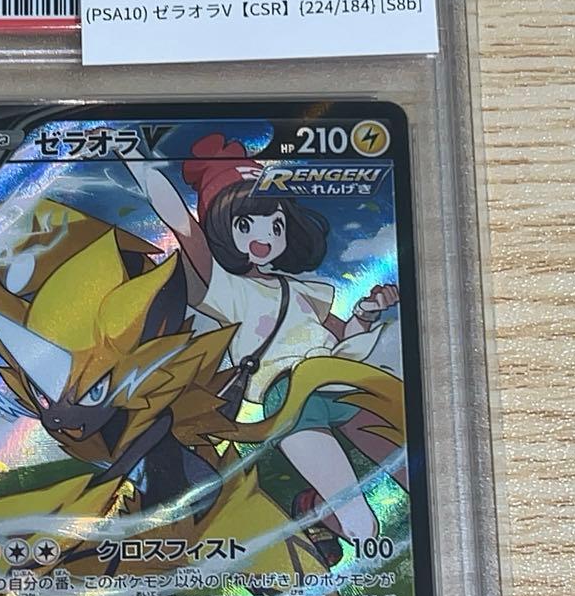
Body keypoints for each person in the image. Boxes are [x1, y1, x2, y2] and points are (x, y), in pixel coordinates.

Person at [126, 133, 402, 550]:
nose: (265, 237)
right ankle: (322, 515)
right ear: (222, 230)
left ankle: (312, 507)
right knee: (362, 523)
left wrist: (364, 314)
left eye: (276, 225)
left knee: (408, 467)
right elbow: (180, 222)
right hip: (289, 399)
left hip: (339, 382)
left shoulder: (305, 289)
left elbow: (343, 340)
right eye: (245, 225)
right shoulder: (223, 288)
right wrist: (132, 156)